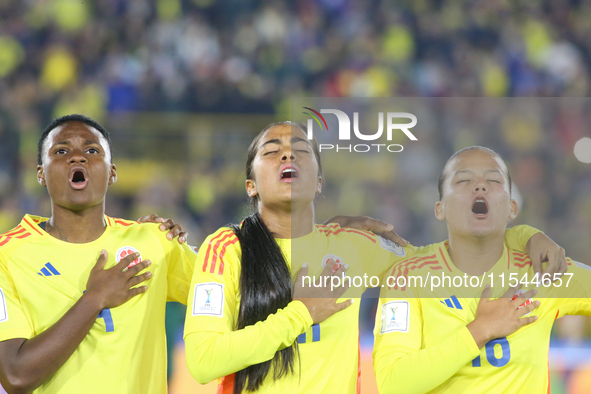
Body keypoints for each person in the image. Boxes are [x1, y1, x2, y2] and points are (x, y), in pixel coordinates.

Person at [183, 123, 561, 393]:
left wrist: (525, 234)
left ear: (318, 182)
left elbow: (444, 261)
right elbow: (203, 361)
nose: (287, 153)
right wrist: (301, 313)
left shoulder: (353, 247)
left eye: (301, 149)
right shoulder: (226, 250)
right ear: (250, 185)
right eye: (271, 151)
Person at [0, 115, 195, 394]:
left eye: (92, 150)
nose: (77, 158)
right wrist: (95, 299)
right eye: (61, 151)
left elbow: (231, 290)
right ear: (41, 173)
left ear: (112, 172)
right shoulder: (6, 256)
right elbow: (16, 376)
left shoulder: (152, 240)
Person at [373, 146, 591, 394]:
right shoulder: (408, 276)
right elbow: (393, 383)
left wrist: (526, 234)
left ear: (512, 207)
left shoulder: (543, 270)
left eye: (493, 179)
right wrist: (482, 329)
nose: (480, 186)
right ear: (440, 208)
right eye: (464, 180)